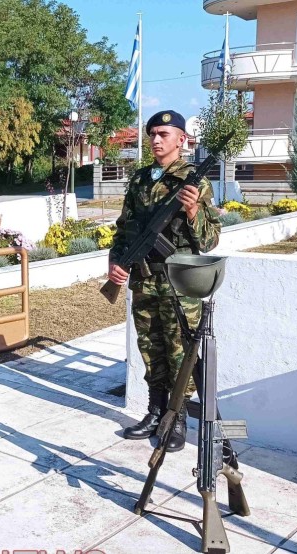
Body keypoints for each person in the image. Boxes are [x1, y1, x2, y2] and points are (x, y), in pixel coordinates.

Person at [107, 110, 221, 452]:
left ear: (181, 140)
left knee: (179, 353)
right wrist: (116, 263)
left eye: (164, 134)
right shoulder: (140, 179)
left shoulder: (194, 182)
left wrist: (192, 212)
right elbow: (124, 228)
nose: (156, 140)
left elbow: (211, 239)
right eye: (153, 134)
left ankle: (177, 419)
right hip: (143, 279)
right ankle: (154, 412)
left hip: (177, 283)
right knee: (150, 348)